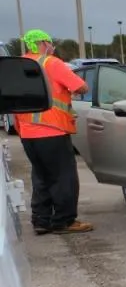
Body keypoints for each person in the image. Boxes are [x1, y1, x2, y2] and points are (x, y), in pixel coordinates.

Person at [14, 30, 92, 234]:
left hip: (27, 134)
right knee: (63, 177)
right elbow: (81, 86)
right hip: (52, 131)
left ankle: (41, 220)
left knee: (41, 176)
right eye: (49, 42)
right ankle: (64, 221)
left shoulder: (19, 65)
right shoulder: (51, 63)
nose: (51, 46)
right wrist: (74, 89)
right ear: (41, 43)